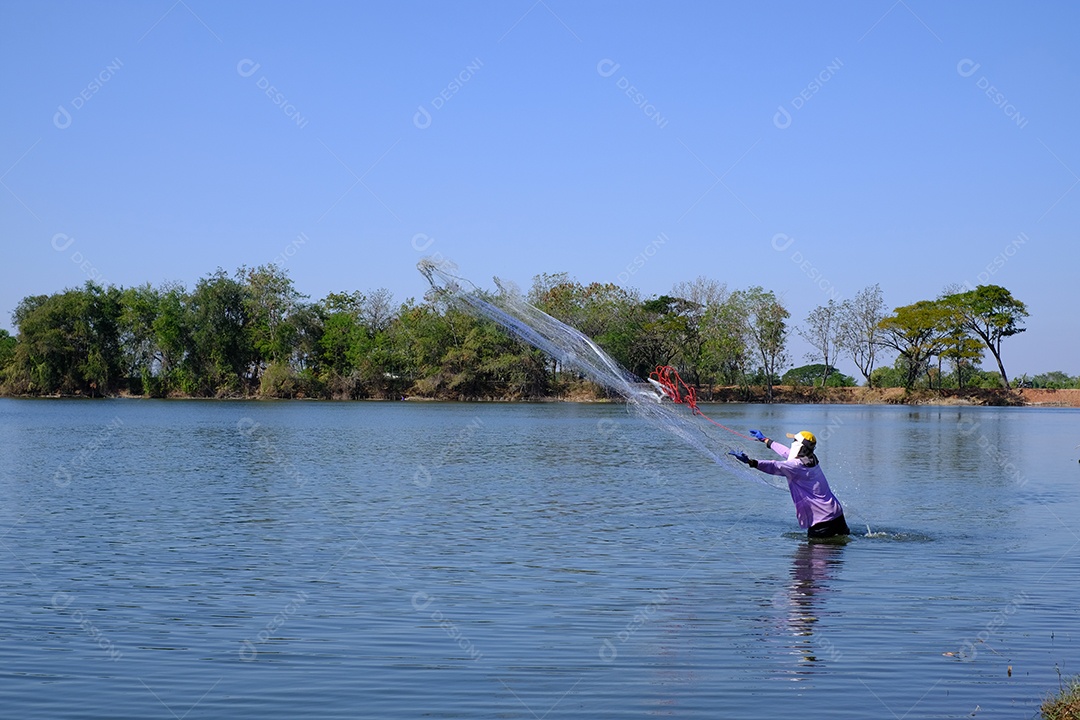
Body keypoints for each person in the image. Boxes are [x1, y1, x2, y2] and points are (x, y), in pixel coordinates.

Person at [729, 429, 851, 540]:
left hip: (822, 521)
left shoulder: (795, 467)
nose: (792, 443)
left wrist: (751, 462)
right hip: (837, 515)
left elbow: (774, 465)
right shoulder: (811, 458)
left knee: (810, 559)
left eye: (794, 441)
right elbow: (786, 452)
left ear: (799, 446)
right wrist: (765, 440)